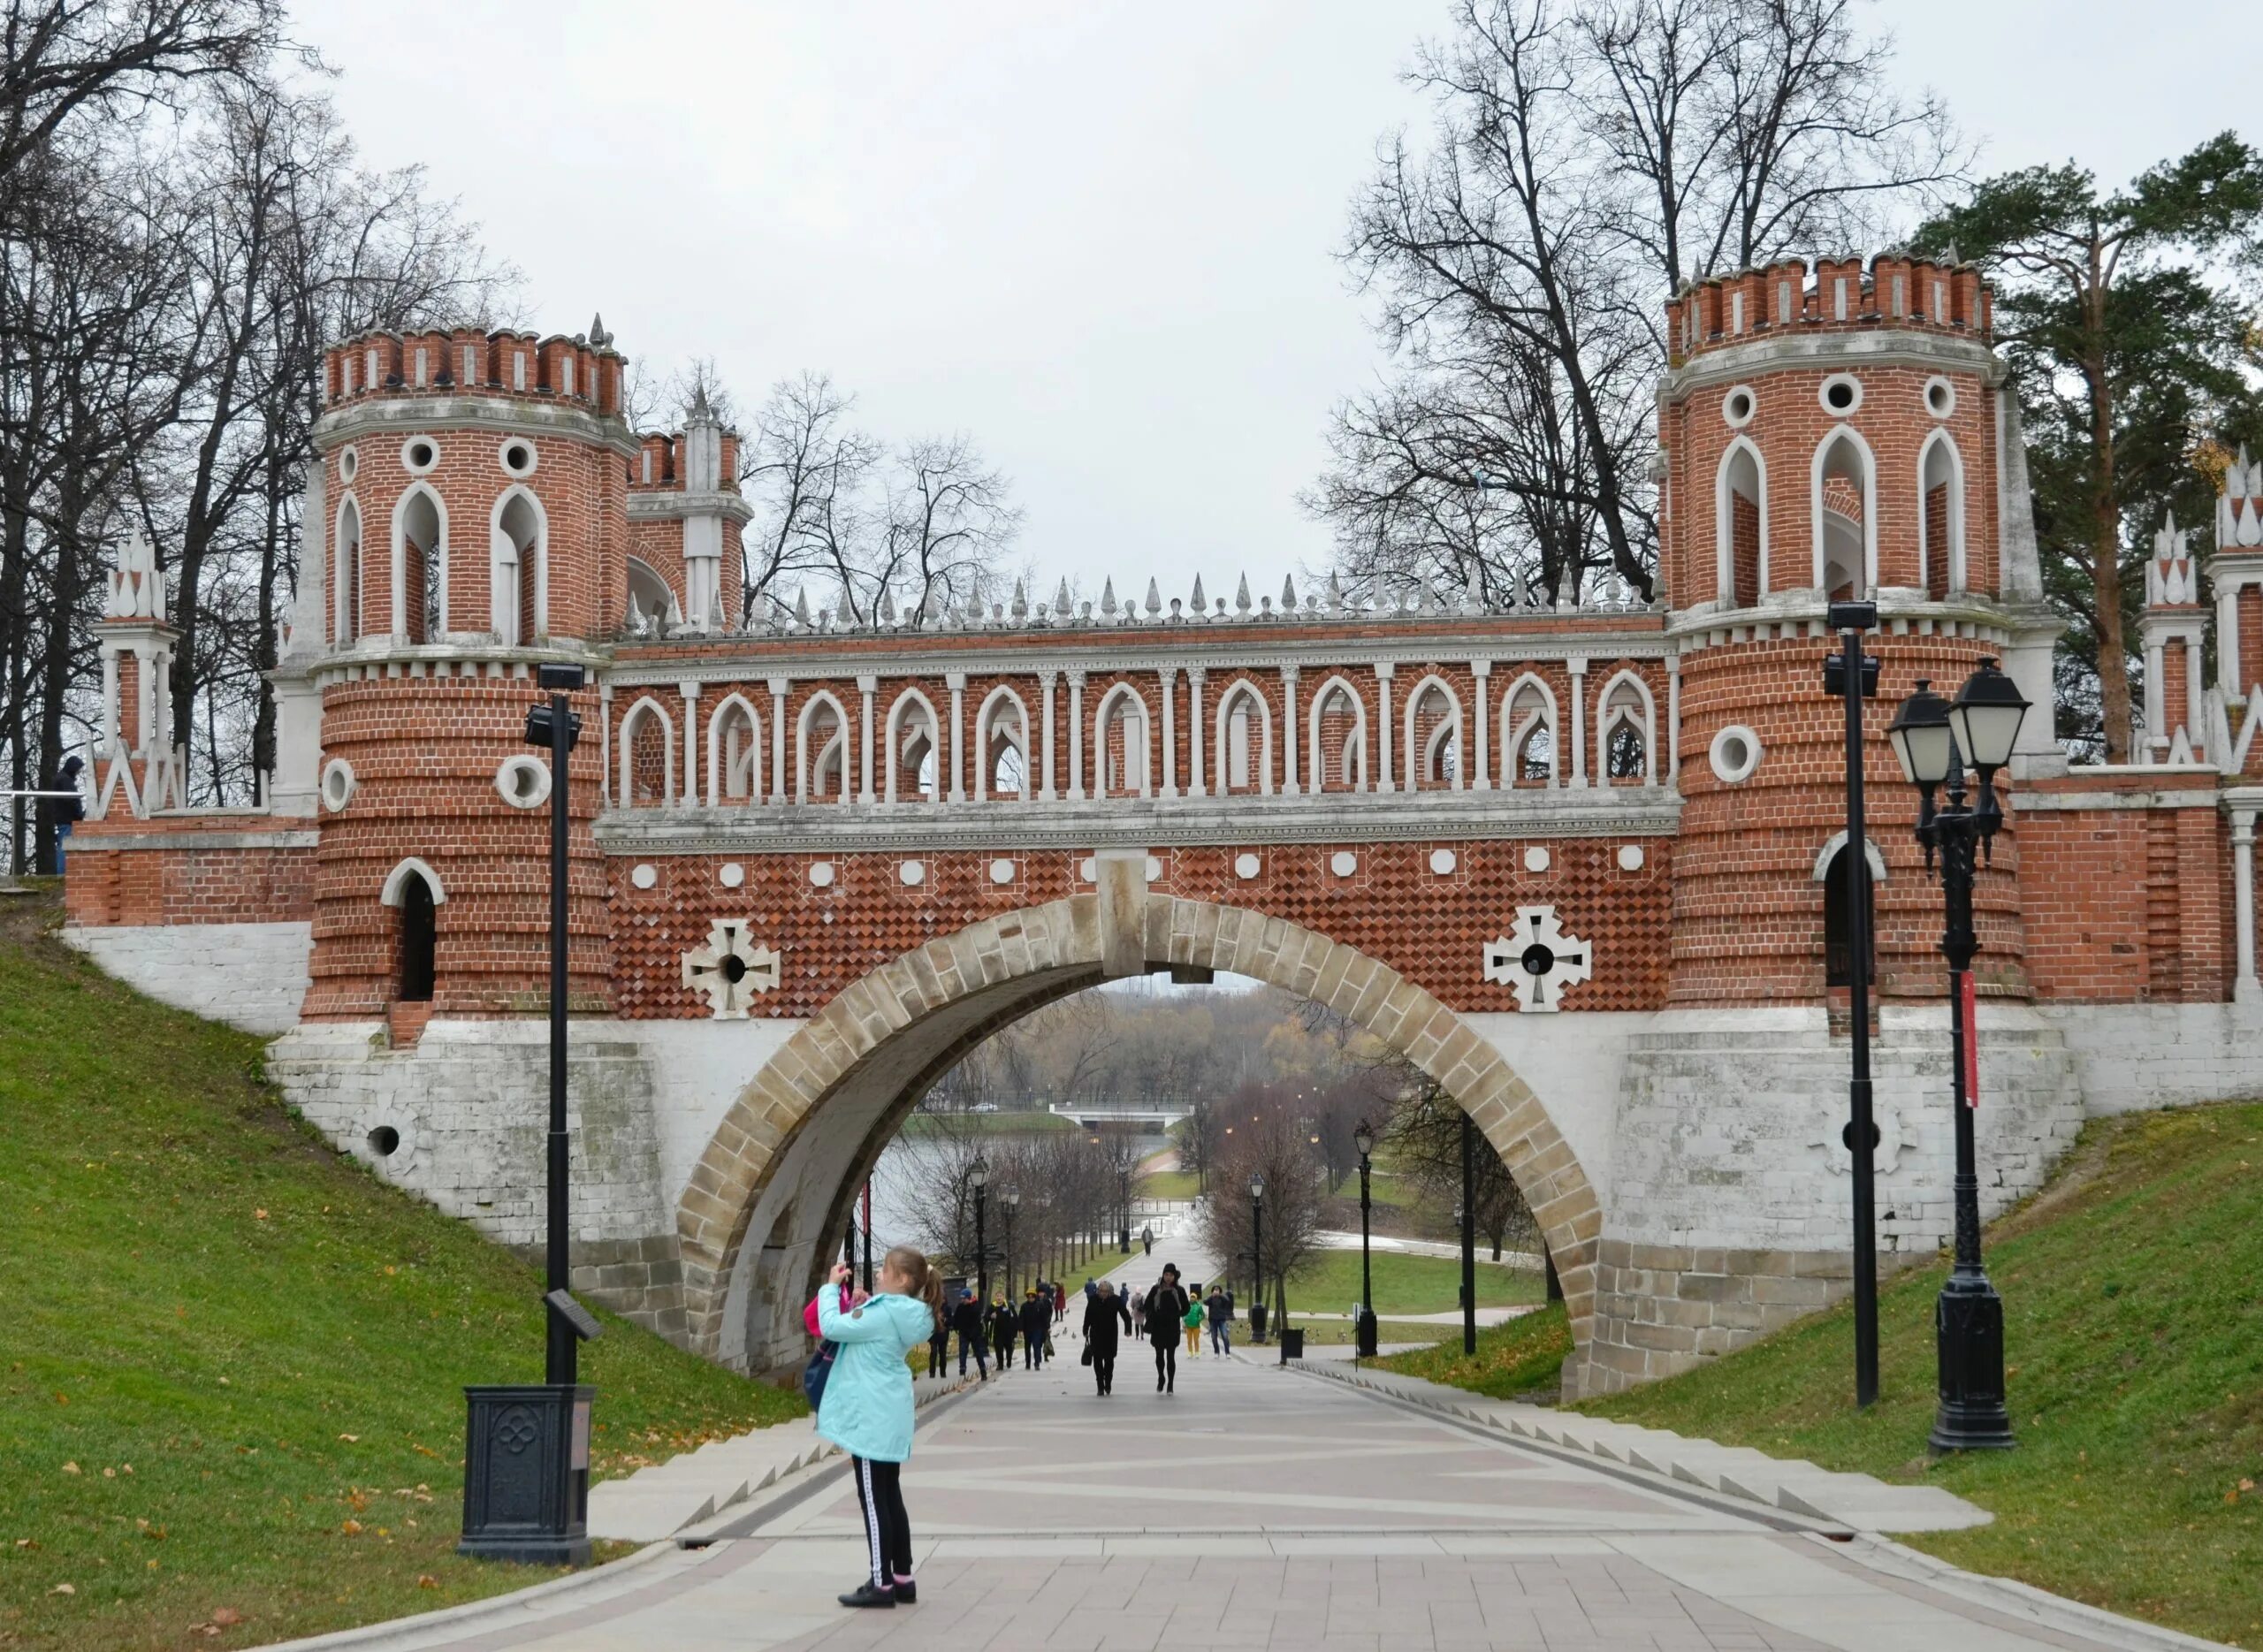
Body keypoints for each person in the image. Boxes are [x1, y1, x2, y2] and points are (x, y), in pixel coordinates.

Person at [813, 1246, 943, 1608]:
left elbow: (832, 1327)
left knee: (872, 1500)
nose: (880, 1275)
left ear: (901, 1279)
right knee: (890, 1496)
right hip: (890, 1414)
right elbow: (875, 1324)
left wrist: (829, 1287)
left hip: (870, 1419)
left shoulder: (885, 1313)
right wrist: (867, 1304)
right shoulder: (906, 1314)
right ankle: (903, 1577)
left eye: (885, 1270)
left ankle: (881, 1583)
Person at [1143, 1264, 1191, 1394]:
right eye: (1166, 1275)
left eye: (1170, 1275)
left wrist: (1176, 1315)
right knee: (1159, 1356)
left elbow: (1187, 1308)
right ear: (1163, 1275)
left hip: (1172, 1327)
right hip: (1158, 1327)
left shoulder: (1179, 1290)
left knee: (1170, 1356)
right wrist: (1153, 1313)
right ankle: (1161, 1378)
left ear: (1174, 1276)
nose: (1168, 1278)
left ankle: (1170, 1383)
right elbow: (1147, 1304)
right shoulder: (1156, 1289)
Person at [1082, 1279, 1132, 1396]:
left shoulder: (1116, 1300)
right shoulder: (1093, 1300)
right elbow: (1088, 1315)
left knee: (1109, 1361)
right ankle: (1100, 1385)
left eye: (1105, 1291)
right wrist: (1085, 1329)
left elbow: (1125, 1315)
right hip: (1096, 1334)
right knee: (1097, 1361)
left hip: (1110, 1335)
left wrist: (1128, 1329)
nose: (1102, 1293)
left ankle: (1108, 1382)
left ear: (1110, 1292)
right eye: (1100, 1291)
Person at [36, 756, 83, 876]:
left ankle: (63, 872)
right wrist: (79, 814)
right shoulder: (65, 780)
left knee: (64, 844)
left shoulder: (61, 778)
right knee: (64, 845)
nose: (78, 772)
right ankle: (62, 873)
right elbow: (71, 799)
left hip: (63, 817)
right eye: (78, 769)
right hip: (67, 818)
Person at [949, 1288, 988, 1380]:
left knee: (978, 1353)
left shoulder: (975, 1307)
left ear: (968, 1298)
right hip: (964, 1333)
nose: (962, 1300)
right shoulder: (960, 1307)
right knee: (963, 1352)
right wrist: (953, 1326)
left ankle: (983, 1371)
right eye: (961, 1298)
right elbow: (956, 1319)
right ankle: (962, 1369)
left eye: (964, 1298)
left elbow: (977, 1322)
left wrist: (975, 1333)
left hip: (975, 1334)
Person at [1019, 1289, 1050, 1370]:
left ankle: (1037, 1363)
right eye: (1029, 1297)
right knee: (1027, 1347)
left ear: (1035, 1297)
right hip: (1027, 1330)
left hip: (1037, 1329)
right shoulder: (1024, 1306)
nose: (1031, 1299)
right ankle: (1028, 1363)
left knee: (1036, 1346)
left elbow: (1044, 1317)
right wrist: (1021, 1330)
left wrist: (1047, 1327)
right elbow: (1021, 1319)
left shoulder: (1040, 1305)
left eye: (1032, 1297)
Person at [987, 1293, 1018, 1371]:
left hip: (1008, 1332)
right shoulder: (992, 1307)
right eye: (997, 1296)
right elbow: (986, 1317)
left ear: (1003, 1297)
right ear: (995, 1297)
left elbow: (1015, 1318)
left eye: (1000, 1296)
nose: (999, 1298)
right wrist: (991, 1317)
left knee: (1009, 1349)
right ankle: (1000, 1365)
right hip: (997, 1332)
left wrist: (1016, 1331)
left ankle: (1009, 1360)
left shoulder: (1008, 1306)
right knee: (998, 1349)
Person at [1205, 1284, 1232, 1356]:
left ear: (1220, 1291)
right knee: (1214, 1337)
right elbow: (1205, 1302)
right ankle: (1216, 1352)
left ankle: (1227, 1352)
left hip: (1221, 1319)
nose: (1216, 1291)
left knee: (1225, 1336)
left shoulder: (1223, 1298)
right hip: (1213, 1320)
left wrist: (1220, 1295)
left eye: (1217, 1290)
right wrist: (1211, 1296)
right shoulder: (1211, 1298)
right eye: (1215, 1290)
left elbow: (1227, 1300)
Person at [926, 1298, 950, 1379]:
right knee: (934, 1352)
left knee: (942, 1354)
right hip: (933, 1334)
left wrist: (944, 1319)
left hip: (943, 1335)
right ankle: (932, 1373)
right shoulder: (932, 1308)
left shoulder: (947, 1308)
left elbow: (951, 1321)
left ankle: (943, 1372)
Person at [1182, 1283, 1206, 1359]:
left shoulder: (1199, 1306)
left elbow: (1203, 1315)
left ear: (1196, 1298)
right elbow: (1183, 1313)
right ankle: (1190, 1352)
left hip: (1196, 1326)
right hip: (1188, 1326)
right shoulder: (1187, 1305)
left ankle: (1197, 1352)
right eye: (1191, 1297)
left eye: (1193, 1297)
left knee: (1196, 1340)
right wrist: (1184, 1320)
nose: (1192, 1298)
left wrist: (1198, 1320)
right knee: (1189, 1340)